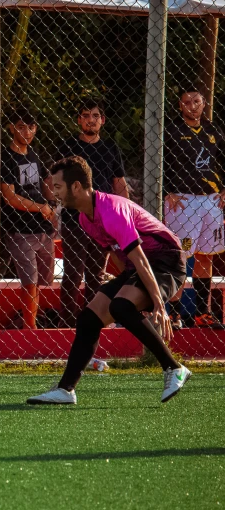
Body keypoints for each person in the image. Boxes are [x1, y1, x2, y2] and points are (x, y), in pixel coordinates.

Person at [27, 157, 190, 405]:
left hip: (165, 262)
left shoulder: (112, 210)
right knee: (89, 319)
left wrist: (159, 305)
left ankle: (173, 368)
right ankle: (65, 389)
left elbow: (142, 259)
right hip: (140, 264)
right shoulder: (84, 218)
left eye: (58, 186)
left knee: (121, 306)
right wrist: (124, 278)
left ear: (77, 187)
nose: (53, 192)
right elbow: (117, 252)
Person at [56, 99, 128, 327]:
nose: (90, 120)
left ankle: (92, 322)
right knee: (73, 274)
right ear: (79, 120)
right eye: (86, 115)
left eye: (95, 116)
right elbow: (55, 181)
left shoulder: (110, 148)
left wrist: (124, 214)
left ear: (102, 120)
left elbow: (119, 183)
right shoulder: (67, 146)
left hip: (102, 220)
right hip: (73, 218)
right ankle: (66, 325)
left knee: (96, 274)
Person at [163, 86, 225, 329]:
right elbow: (161, 161)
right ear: (180, 106)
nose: (192, 105)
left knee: (205, 256)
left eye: (196, 101)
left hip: (210, 201)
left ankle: (203, 313)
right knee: (181, 254)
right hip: (183, 202)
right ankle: (175, 314)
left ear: (203, 104)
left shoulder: (214, 131)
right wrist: (167, 191)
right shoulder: (171, 132)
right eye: (187, 102)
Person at [0, 109, 56, 329]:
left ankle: (32, 319)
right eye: (21, 126)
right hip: (20, 229)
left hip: (43, 229)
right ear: (11, 128)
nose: (27, 131)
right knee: (29, 283)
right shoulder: (6, 157)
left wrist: (52, 204)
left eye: (31, 127)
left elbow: (45, 184)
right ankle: (30, 330)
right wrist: (41, 207)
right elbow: (10, 197)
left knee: (44, 281)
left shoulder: (34, 154)